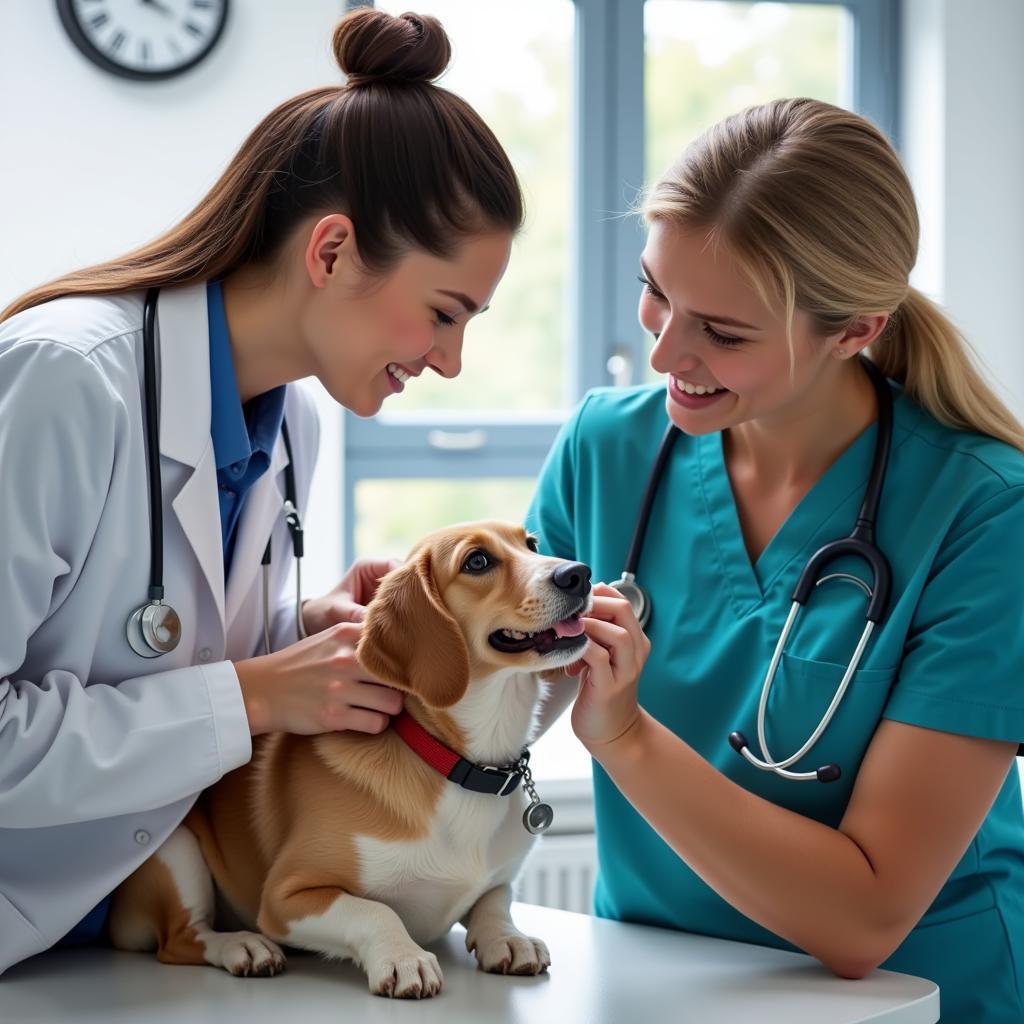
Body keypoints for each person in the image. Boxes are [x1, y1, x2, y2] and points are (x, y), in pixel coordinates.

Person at [0, 8, 519, 975]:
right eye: (444, 315)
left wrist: (295, 632)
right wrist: (250, 695)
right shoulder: (64, 380)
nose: (450, 361)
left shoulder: (295, 422)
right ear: (330, 253)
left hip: (121, 933)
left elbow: (162, 650)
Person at [529, 98, 1024, 1022]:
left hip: (911, 1003)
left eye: (723, 331)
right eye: (656, 292)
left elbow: (866, 914)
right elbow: (506, 695)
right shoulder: (607, 449)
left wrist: (627, 738)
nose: (667, 349)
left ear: (855, 330)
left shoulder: (985, 512)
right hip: (652, 988)